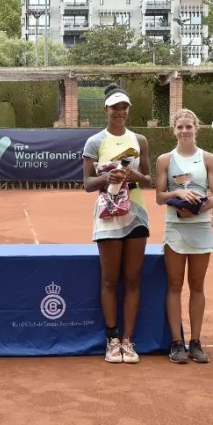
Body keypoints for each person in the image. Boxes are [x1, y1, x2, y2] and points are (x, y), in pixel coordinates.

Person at [81, 84, 151, 364]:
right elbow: (87, 184)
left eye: (124, 107)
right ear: (106, 110)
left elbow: (149, 180)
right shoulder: (95, 142)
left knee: (133, 279)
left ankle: (128, 342)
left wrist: (131, 175)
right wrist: (106, 179)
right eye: (115, 107)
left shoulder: (140, 140)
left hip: (135, 214)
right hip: (107, 214)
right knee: (110, 279)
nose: (120, 112)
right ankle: (112, 340)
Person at [155, 109, 213, 364]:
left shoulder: (208, 158)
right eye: (180, 127)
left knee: (197, 285)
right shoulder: (164, 159)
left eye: (189, 126)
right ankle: (176, 343)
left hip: (201, 226)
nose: (185, 131)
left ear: (196, 128)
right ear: (174, 129)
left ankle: (195, 342)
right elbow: (159, 196)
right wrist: (181, 198)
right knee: (174, 285)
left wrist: (197, 208)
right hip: (175, 227)